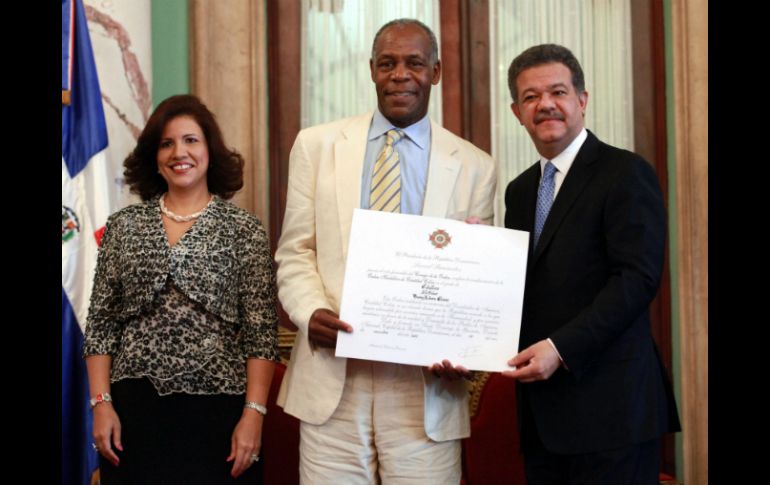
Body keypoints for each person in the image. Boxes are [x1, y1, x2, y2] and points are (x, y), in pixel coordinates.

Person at [274, 18, 496, 484]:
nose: (400, 74)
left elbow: (473, 283)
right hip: (333, 379)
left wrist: (464, 344)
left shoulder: (475, 166)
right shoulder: (316, 146)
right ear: (371, 70)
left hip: (424, 390)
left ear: (435, 71)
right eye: (387, 63)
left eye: (414, 63)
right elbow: (296, 251)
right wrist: (310, 311)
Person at [501, 44, 681, 484]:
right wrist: (475, 254)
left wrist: (560, 349)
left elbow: (636, 280)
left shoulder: (624, 172)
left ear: (582, 100)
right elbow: (519, 286)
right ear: (516, 111)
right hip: (544, 419)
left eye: (558, 92)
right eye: (530, 97)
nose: (545, 104)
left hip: (612, 414)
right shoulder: (520, 191)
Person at [83, 94, 279, 484]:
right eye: (167, 143)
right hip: (133, 414)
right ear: (154, 156)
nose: (179, 152)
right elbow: (101, 325)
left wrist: (253, 414)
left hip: (220, 415)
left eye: (191, 140)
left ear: (209, 149)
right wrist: (101, 404)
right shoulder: (123, 226)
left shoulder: (245, 230)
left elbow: (261, 335)